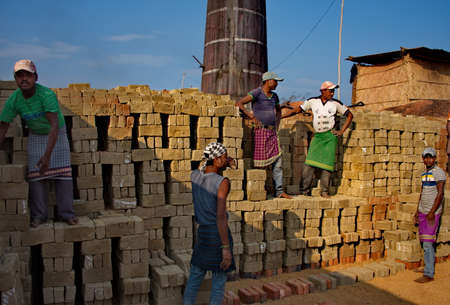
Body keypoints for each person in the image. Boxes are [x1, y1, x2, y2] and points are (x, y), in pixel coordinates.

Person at [0, 59, 78, 227]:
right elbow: (3, 126)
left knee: (63, 174)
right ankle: (39, 215)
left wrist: (47, 156)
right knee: (36, 175)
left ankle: (67, 214)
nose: (24, 79)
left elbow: (54, 125)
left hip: (56, 132)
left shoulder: (46, 95)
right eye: (19, 76)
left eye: (27, 75)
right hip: (36, 133)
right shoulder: (15, 100)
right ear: (15, 79)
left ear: (35, 77)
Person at [183, 142, 235, 305]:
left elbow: (207, 171)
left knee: (194, 279)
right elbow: (220, 217)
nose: (227, 160)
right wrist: (225, 248)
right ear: (217, 159)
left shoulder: (194, 176)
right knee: (218, 283)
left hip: (203, 235)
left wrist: (224, 162)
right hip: (217, 236)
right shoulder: (223, 182)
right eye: (224, 157)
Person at [290, 81, 353, 197]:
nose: (333, 93)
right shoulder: (313, 101)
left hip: (330, 137)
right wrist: (282, 115)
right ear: (323, 91)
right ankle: (305, 190)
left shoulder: (336, 103)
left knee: (327, 165)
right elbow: (298, 110)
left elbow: (350, 115)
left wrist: (341, 131)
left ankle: (324, 191)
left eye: (333, 91)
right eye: (331, 91)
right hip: (318, 136)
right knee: (309, 163)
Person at [236, 71, 291, 199]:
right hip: (260, 132)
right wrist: (251, 116)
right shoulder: (257, 93)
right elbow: (239, 103)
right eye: (276, 81)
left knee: (278, 161)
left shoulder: (274, 96)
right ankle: (258, 191)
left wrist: (277, 124)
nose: (277, 84)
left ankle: (279, 191)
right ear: (269, 81)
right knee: (260, 164)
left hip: (272, 132)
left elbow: (277, 111)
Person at [413, 147, 446, 283]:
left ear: (435, 158)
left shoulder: (439, 173)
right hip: (423, 211)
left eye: (430, 157)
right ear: (423, 159)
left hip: (432, 213)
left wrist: (432, 212)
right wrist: (417, 211)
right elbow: (423, 192)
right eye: (426, 157)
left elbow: (440, 193)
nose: (428, 159)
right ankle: (428, 265)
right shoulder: (424, 174)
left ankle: (429, 274)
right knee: (424, 241)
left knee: (427, 243)